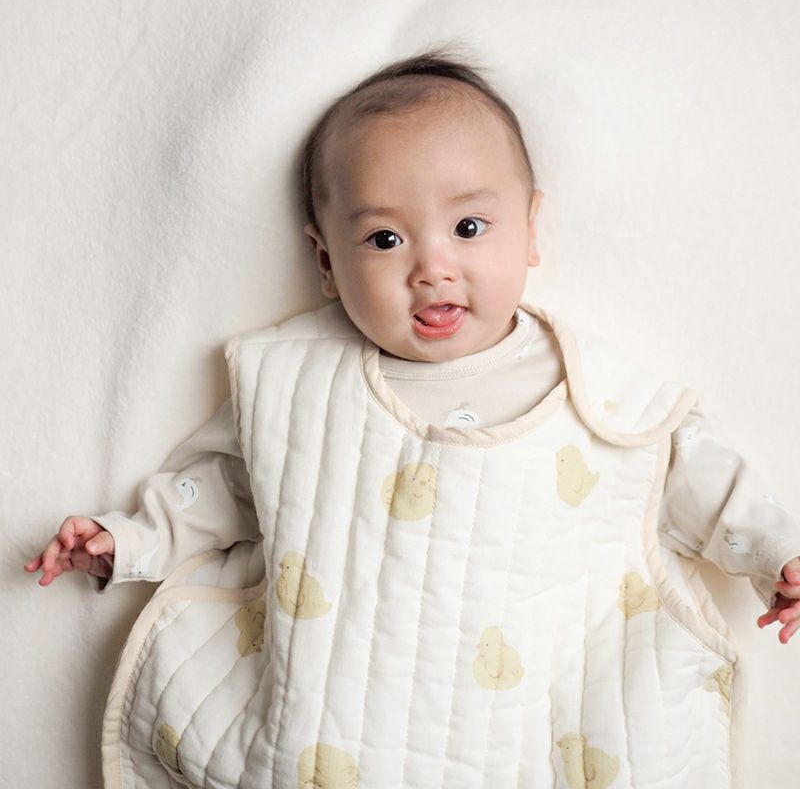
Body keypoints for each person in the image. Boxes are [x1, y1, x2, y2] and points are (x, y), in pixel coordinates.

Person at [23, 50, 800, 787]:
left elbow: (702, 479)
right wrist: (130, 538)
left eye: (469, 228)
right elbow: (222, 487)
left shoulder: (605, 394)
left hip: (542, 729)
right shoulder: (300, 384)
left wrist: (779, 554)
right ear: (326, 262)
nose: (432, 268)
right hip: (330, 732)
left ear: (531, 230)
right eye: (385, 239)